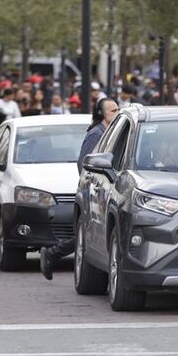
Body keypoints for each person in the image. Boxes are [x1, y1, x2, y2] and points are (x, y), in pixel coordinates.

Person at [41, 98, 120, 280]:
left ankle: (52, 254)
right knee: (89, 232)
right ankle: (53, 254)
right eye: (112, 111)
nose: (116, 113)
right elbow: (85, 162)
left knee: (89, 233)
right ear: (101, 114)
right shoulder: (96, 134)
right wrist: (93, 184)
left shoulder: (108, 132)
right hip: (94, 191)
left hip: (98, 190)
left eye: (117, 109)